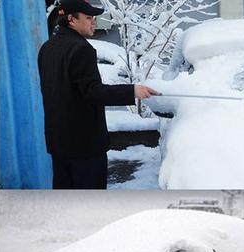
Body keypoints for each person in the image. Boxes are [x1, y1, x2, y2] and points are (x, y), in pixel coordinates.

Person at [38, 0, 159, 189]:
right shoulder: (81, 49)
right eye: (88, 18)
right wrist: (133, 90)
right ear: (71, 19)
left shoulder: (47, 48)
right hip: (84, 145)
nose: (93, 22)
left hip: (58, 142)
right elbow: (93, 92)